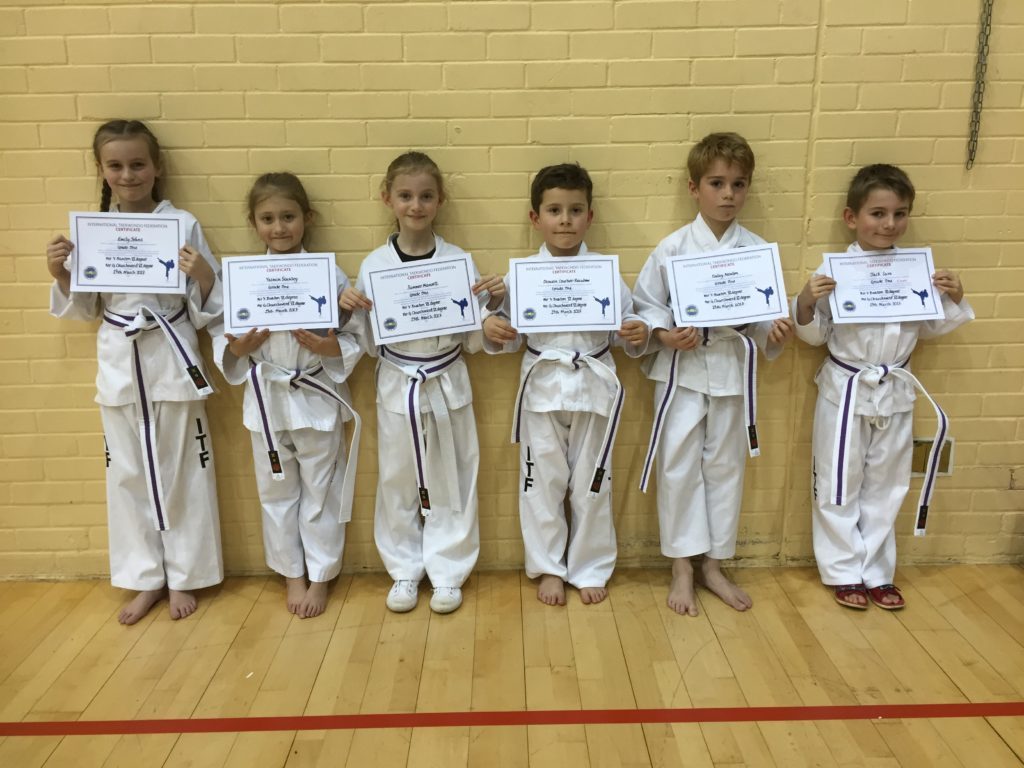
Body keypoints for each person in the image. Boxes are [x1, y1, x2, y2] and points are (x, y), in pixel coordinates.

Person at [44, 119, 223, 625]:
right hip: (121, 364)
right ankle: (144, 578)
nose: (128, 174)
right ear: (101, 170)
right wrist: (62, 273)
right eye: (116, 165)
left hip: (171, 358)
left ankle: (186, 575)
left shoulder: (182, 224)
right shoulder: (92, 231)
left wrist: (205, 276)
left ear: (157, 167)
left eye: (138, 164)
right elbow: (85, 311)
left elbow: (209, 307)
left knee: (183, 471)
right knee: (126, 475)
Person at [793, 163, 972, 610]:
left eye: (899, 214)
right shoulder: (833, 272)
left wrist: (954, 294)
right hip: (845, 388)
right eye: (877, 213)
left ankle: (877, 572)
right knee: (839, 480)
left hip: (895, 387)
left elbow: (931, 329)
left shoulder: (916, 271)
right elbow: (813, 335)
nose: (889, 224)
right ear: (851, 218)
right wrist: (806, 300)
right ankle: (842, 570)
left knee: (888, 483)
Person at [632, 132, 794, 617]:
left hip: (731, 367)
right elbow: (645, 306)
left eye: (738, 184)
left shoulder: (758, 250)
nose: (728, 194)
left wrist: (776, 330)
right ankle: (682, 565)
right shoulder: (673, 247)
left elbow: (767, 313)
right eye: (717, 183)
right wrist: (664, 335)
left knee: (725, 467)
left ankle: (714, 564)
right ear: (693, 187)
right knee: (678, 467)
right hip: (682, 372)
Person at [340, 151, 504, 614]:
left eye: (426, 196)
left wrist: (488, 321)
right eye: (406, 196)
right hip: (398, 381)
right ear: (386, 198)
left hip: (447, 379)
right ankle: (404, 570)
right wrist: (348, 308)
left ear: (440, 201)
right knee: (397, 479)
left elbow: (471, 336)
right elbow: (369, 344)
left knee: (451, 476)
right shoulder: (374, 264)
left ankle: (448, 572)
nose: (416, 205)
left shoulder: (458, 261)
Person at [483, 163, 649, 607]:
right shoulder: (520, 277)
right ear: (535, 218)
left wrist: (635, 332)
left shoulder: (606, 275)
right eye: (554, 210)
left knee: (594, 482)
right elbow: (504, 332)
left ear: (590, 217)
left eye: (575, 210)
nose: (565, 220)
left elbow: (625, 327)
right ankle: (549, 568)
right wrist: (495, 331)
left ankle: (591, 566)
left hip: (595, 387)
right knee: (542, 484)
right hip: (541, 388)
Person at [211, 173, 362, 619]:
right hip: (267, 398)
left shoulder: (327, 274)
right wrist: (237, 348)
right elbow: (226, 338)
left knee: (321, 491)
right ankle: (291, 574)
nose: (279, 227)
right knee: (276, 492)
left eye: (288, 217)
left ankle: (319, 576)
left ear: (307, 218)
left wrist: (329, 347)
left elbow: (352, 336)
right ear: (254, 223)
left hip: (316, 394)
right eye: (268, 219)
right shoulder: (240, 277)